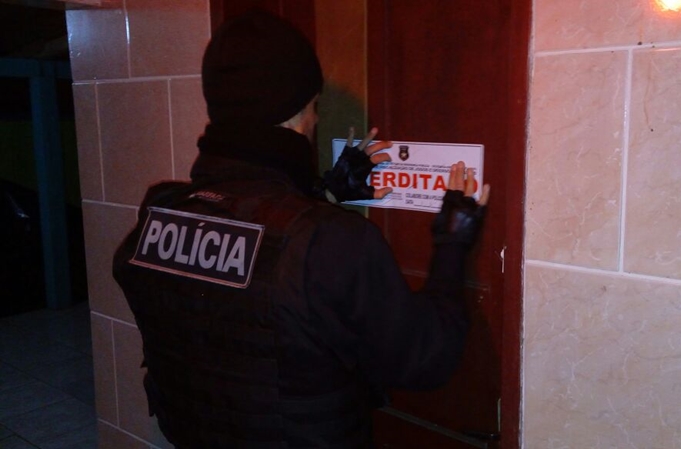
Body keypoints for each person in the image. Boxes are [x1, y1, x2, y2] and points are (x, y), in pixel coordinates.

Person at [112, 9, 489, 449]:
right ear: (296, 113)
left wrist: (325, 193)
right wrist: (452, 241)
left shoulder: (160, 212)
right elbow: (427, 359)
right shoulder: (335, 241)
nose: (315, 121)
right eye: (315, 107)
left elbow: (246, 280)